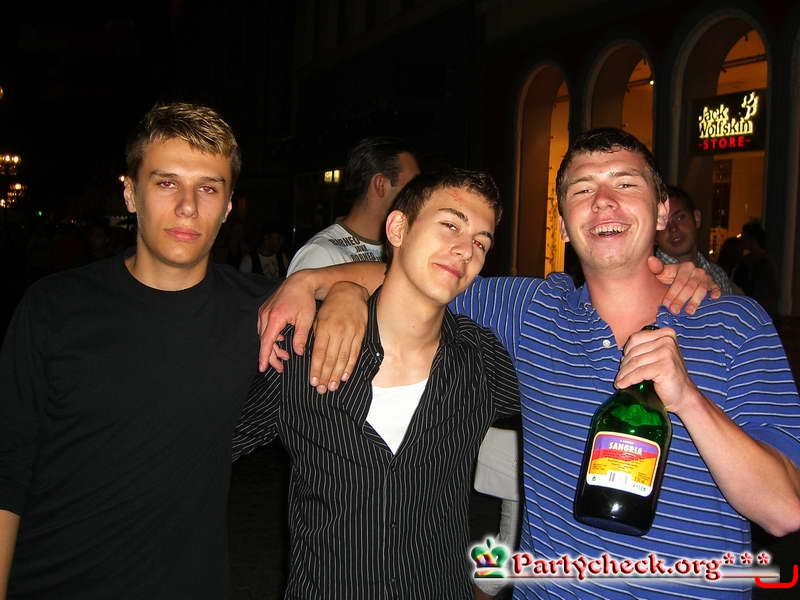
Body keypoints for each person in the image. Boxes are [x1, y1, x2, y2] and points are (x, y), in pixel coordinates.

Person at [258, 128, 799, 600]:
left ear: (661, 210)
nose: (603, 202)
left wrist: (689, 400)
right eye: (582, 190)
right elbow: (424, 275)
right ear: (563, 224)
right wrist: (322, 283)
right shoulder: (531, 311)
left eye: (625, 184)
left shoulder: (734, 324)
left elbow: (784, 510)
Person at [0, 102, 277, 599]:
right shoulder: (55, 306)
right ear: (130, 193)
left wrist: (336, 285)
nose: (188, 206)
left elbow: (407, 291)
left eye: (208, 188)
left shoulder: (261, 311)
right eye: (166, 183)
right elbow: (7, 468)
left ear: (228, 205)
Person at [233, 169, 520, 598]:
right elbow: (200, 454)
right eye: (450, 225)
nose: (465, 249)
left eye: (481, 242)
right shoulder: (300, 352)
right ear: (398, 228)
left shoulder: (484, 362)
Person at [286, 136, 420, 275]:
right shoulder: (320, 255)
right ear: (380, 185)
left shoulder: (401, 250)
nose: (419, 195)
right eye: (412, 186)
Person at [655, 185, 735, 294]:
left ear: (697, 218)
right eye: (662, 222)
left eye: (680, 217)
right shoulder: (649, 278)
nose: (673, 228)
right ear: (652, 234)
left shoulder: (717, 274)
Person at [733, 220, 780, 322]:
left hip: (760, 312)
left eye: (744, 236)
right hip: (749, 310)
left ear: (752, 238)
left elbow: (769, 292)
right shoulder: (745, 262)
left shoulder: (765, 263)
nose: (742, 240)